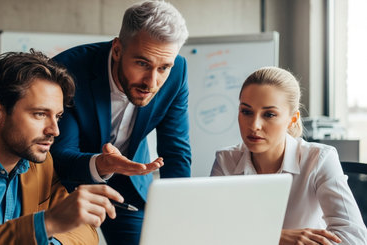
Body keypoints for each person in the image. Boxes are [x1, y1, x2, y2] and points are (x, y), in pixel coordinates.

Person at [0, 50, 126, 244]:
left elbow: (84, 231)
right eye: (40, 114)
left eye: (58, 117)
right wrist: (46, 224)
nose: (55, 130)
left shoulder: (40, 162)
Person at [50, 1, 191, 244]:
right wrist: (101, 165)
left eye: (163, 67)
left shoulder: (177, 70)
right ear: (117, 49)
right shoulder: (68, 70)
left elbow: (176, 151)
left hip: (131, 186)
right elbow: (61, 153)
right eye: (142, 64)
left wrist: (176, 211)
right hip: (66, 185)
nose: (152, 82)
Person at [211, 66, 367, 244]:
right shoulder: (226, 161)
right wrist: (276, 237)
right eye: (246, 112)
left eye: (269, 114)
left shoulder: (319, 159)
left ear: (292, 119)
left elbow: (355, 238)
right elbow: (211, 231)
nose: (254, 125)